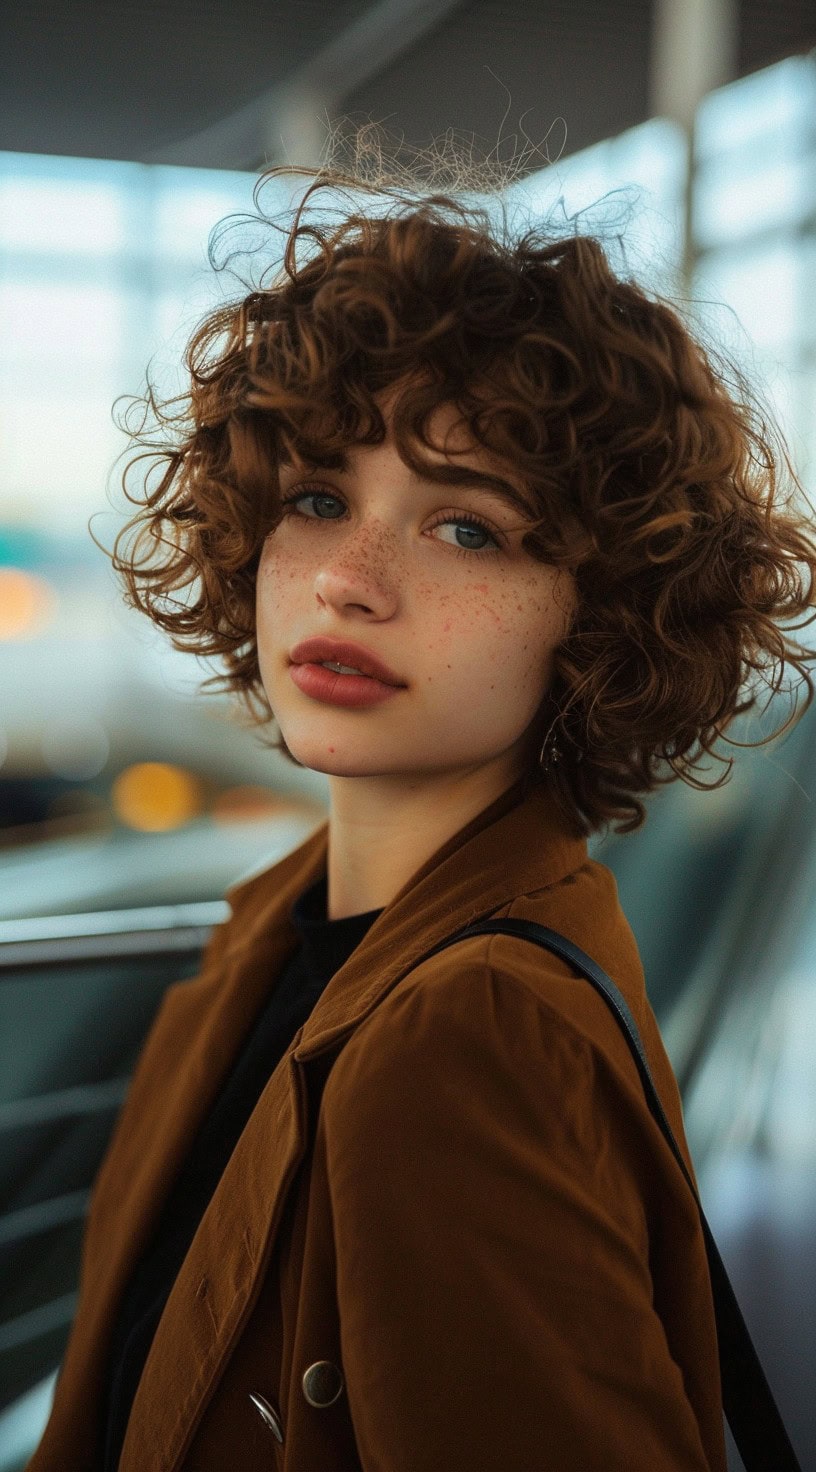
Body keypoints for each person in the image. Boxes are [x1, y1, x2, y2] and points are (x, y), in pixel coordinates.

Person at [30, 133, 816, 1472]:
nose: (348, 578)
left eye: (466, 528)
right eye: (317, 497)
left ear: (597, 618)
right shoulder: (279, 941)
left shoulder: (471, 1036)